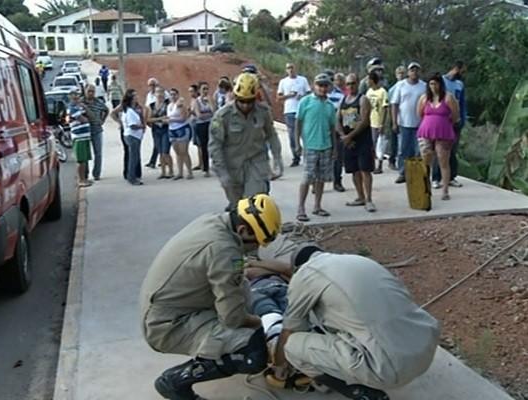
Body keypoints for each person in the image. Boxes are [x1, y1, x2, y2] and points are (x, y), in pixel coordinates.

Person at [139, 194, 282, 400]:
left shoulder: (215, 222)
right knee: (252, 350)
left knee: (243, 292)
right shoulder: (224, 249)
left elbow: (237, 278)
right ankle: (174, 382)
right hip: (166, 325)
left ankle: (213, 350)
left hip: (168, 307)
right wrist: (261, 324)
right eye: (256, 243)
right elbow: (233, 318)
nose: (256, 249)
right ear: (243, 230)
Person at [273, 243, 440, 400]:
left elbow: (290, 330)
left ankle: (358, 392)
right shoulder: (358, 260)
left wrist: (279, 367)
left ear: (297, 268)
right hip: (425, 348)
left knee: (292, 346)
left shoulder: (305, 274)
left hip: (388, 370)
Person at [209, 72, 284, 211]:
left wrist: (278, 159)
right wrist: (222, 174)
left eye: (249, 101)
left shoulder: (263, 111)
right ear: (236, 96)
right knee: (237, 209)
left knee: (254, 207)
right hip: (232, 166)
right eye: (242, 100)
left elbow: (271, 134)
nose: (245, 105)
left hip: (256, 163)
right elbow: (215, 146)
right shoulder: (222, 116)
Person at [294, 73, 336, 221]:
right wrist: (297, 142)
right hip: (310, 146)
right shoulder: (305, 102)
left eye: (325, 86)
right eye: (320, 85)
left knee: (321, 178)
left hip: (326, 146)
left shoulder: (330, 106)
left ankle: (317, 206)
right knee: (307, 177)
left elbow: (332, 128)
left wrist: (334, 148)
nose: (322, 88)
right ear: (314, 86)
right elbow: (298, 122)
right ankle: (301, 207)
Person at [416, 72, 460, 201]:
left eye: (436, 83)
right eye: (431, 84)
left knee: (443, 160)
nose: (433, 86)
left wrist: (446, 123)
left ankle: (445, 190)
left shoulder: (448, 97)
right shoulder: (424, 98)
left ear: (441, 84)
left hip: (443, 132)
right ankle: (425, 188)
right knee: (426, 160)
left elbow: (455, 115)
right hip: (426, 132)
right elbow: (419, 113)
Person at [337, 73, 376, 212]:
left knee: (365, 169)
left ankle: (369, 199)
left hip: (362, 140)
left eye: (353, 83)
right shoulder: (343, 101)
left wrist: (350, 136)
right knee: (354, 170)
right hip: (348, 141)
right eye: (348, 84)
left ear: (358, 83)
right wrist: (343, 136)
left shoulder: (363, 99)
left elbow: (364, 121)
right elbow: (337, 120)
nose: (350, 86)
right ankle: (360, 196)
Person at [432, 60, 467, 189]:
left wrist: (463, 119)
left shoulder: (460, 84)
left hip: (456, 122)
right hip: (442, 121)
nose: (463, 73)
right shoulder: (441, 81)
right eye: (462, 70)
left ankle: (451, 177)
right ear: (456, 69)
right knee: (439, 150)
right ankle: (436, 177)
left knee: (453, 150)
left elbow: (462, 103)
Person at [391, 62, 426, 184]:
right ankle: (402, 173)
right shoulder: (401, 85)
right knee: (403, 150)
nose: (414, 72)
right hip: (404, 123)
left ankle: (416, 173)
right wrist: (394, 122)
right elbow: (394, 104)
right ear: (408, 72)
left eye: (416, 70)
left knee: (418, 151)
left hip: (419, 124)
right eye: (412, 70)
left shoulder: (424, 86)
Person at [276, 62, 311, 167]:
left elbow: (309, 93)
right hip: (289, 110)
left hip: (302, 109)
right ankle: (296, 156)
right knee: (292, 135)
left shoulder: (303, 80)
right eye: (288, 68)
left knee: (305, 133)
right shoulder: (283, 82)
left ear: (295, 68)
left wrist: (302, 97)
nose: (290, 70)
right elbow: (278, 97)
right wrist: (289, 95)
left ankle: (308, 156)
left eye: (292, 67)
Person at [116, 89, 145, 186]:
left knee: (134, 156)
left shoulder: (130, 109)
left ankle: (132, 176)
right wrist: (141, 126)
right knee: (134, 157)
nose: (137, 97)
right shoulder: (129, 111)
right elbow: (132, 125)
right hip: (132, 136)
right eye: (135, 96)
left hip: (134, 136)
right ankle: (131, 177)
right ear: (131, 99)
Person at [82, 84, 109, 181]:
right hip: (85, 132)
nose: (90, 93)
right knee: (85, 154)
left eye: (92, 91)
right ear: (85, 91)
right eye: (89, 91)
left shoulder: (98, 102)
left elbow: (106, 110)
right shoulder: (81, 102)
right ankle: (85, 174)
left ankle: (96, 174)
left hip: (97, 130)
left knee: (98, 153)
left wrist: (102, 120)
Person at [146, 86, 174, 179]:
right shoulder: (152, 105)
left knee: (166, 151)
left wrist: (158, 119)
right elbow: (149, 119)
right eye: (157, 92)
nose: (159, 94)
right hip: (156, 130)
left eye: (161, 92)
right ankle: (163, 172)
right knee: (160, 151)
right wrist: (160, 118)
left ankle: (170, 171)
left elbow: (170, 116)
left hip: (166, 129)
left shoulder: (168, 103)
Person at [325, 69, 346, 192]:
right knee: (320, 157)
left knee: (337, 156)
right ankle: (317, 183)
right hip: (322, 130)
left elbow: (343, 113)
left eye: (330, 80)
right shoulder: (316, 96)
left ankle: (337, 181)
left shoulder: (340, 95)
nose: (328, 83)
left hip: (337, 129)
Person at [166, 87, 194, 180]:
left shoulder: (180, 104)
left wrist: (171, 120)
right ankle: (180, 172)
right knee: (177, 152)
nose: (173, 96)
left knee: (184, 151)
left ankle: (189, 172)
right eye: (171, 94)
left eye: (174, 94)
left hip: (182, 128)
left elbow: (183, 118)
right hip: (172, 129)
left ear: (178, 95)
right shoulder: (169, 105)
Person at [67, 89, 92, 188]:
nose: (77, 99)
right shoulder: (72, 109)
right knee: (81, 160)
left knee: (85, 159)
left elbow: (90, 116)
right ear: (71, 99)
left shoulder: (80, 107)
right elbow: (84, 119)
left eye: (78, 97)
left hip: (85, 135)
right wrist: (85, 118)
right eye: (74, 98)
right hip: (78, 136)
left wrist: (85, 108)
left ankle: (84, 178)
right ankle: (80, 180)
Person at [366, 71, 389, 174]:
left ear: (371, 80)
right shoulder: (369, 92)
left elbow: (384, 108)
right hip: (370, 121)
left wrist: (382, 123)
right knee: (372, 144)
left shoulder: (382, 92)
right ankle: (372, 164)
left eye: (368, 79)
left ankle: (379, 165)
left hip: (378, 121)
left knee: (380, 144)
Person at [190, 81, 215, 177]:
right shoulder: (196, 101)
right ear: (199, 90)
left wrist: (209, 103)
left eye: (207, 89)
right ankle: (206, 168)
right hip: (200, 125)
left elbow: (214, 112)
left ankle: (214, 165)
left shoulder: (210, 99)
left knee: (212, 145)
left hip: (210, 124)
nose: (205, 91)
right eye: (203, 89)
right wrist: (208, 114)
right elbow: (199, 115)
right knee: (204, 146)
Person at [387, 66, 407, 170]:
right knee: (394, 141)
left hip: (405, 118)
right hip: (395, 118)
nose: (401, 75)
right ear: (396, 75)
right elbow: (391, 104)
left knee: (403, 143)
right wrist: (393, 120)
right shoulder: (392, 89)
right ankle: (392, 160)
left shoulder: (408, 86)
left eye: (403, 73)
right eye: (399, 73)